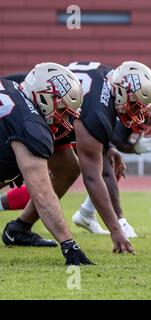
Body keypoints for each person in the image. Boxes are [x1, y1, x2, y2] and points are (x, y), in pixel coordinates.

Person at [2, 61, 151, 254]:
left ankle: (20, 228)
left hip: (34, 106)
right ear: (121, 92)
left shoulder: (106, 75)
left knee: (67, 169)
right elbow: (93, 177)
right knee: (13, 169)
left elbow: (84, 112)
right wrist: (116, 229)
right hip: (24, 112)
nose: (137, 114)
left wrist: (108, 146)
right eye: (135, 106)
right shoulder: (98, 113)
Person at [0, 62, 92, 265]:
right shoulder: (30, 125)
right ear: (43, 97)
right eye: (62, 110)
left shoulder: (11, 86)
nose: (65, 120)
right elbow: (42, 195)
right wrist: (69, 244)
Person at [72, 92, 151, 234]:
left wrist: (132, 148)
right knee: (108, 169)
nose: (148, 122)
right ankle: (115, 221)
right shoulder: (111, 117)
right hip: (70, 138)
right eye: (146, 116)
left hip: (79, 138)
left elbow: (114, 143)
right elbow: (110, 149)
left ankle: (86, 214)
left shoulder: (121, 120)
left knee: (113, 166)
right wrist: (120, 220)